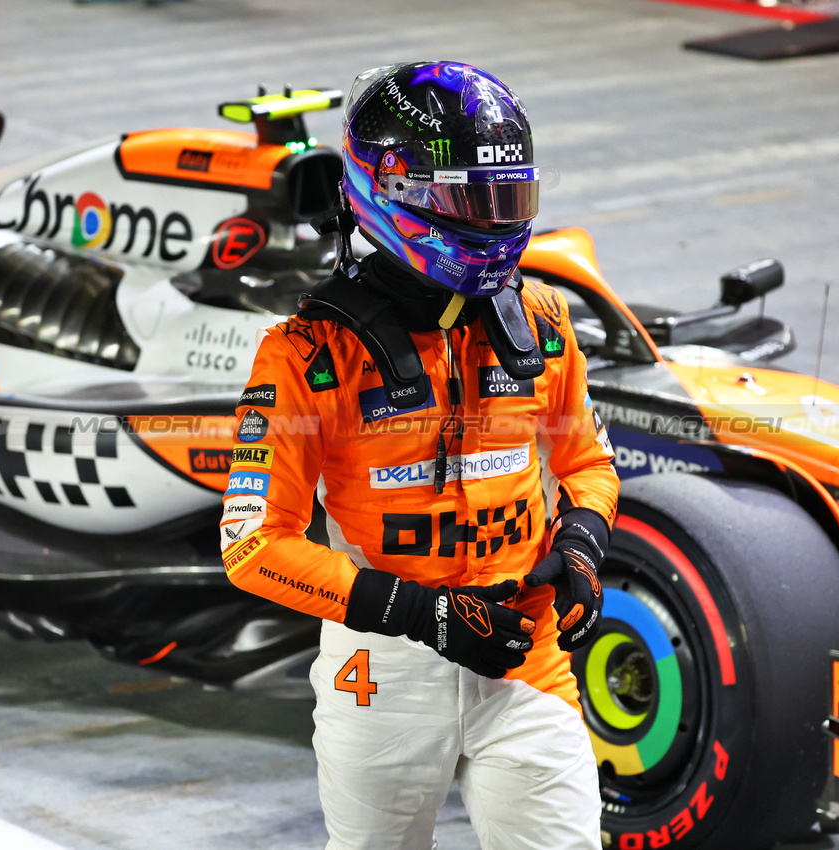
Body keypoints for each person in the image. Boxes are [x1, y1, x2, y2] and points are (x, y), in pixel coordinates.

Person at [219, 61, 619, 850]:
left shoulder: (539, 319)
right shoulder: (306, 352)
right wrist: (423, 614)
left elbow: (587, 465)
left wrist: (580, 544)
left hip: (526, 659)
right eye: (474, 200)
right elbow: (251, 546)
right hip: (383, 672)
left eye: (507, 199)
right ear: (394, 191)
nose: (496, 219)